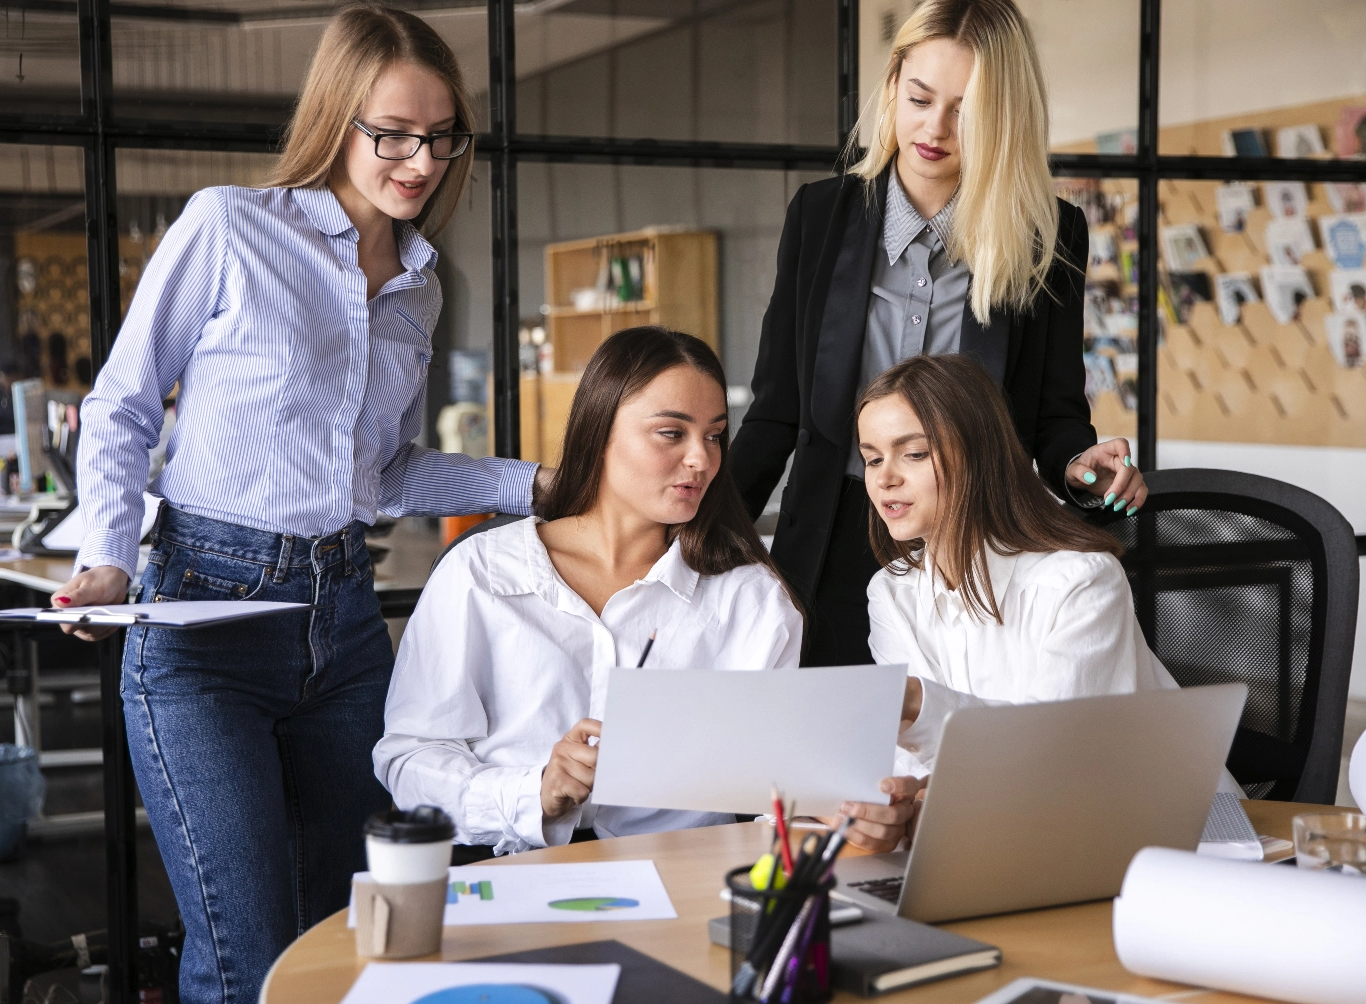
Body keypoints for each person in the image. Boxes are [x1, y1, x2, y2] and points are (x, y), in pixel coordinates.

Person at [49, 7, 546, 1002]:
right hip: (202, 625)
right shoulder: (230, 227)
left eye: (441, 137)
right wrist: (105, 555)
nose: (419, 160)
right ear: (338, 116)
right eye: (392, 133)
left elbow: (382, 479)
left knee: (350, 937)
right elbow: (123, 403)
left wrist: (535, 484)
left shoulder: (418, 287)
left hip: (346, 625)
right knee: (246, 958)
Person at [729, 0, 1146, 667]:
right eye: (920, 98)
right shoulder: (819, 216)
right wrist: (695, 530)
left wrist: (1077, 465)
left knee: (957, 743)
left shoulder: (1049, 234)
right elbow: (777, 411)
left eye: (966, 113)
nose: (935, 128)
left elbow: (1053, 413)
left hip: (977, 543)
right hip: (835, 535)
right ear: (894, 82)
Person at [375, 327, 804, 856]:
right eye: (672, 433)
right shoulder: (481, 571)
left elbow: (780, 789)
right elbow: (411, 761)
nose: (701, 460)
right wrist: (536, 793)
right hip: (512, 872)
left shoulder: (750, 598)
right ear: (600, 431)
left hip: (683, 881)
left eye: (714, 435)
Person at [835, 354, 1238, 853]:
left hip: (1172, 845)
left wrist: (917, 704)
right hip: (1015, 843)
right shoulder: (891, 593)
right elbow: (920, 768)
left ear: (978, 455)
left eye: (913, 454)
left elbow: (1046, 756)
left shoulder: (1081, 581)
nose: (884, 478)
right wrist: (891, 805)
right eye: (872, 458)